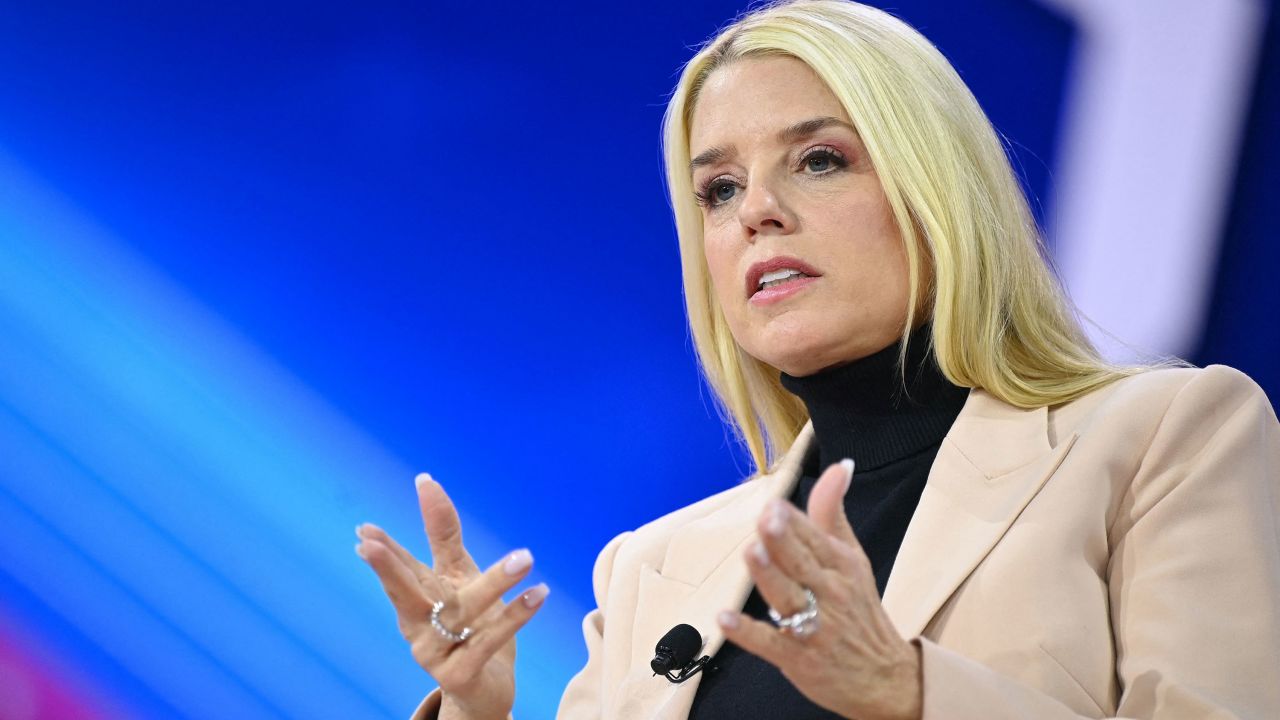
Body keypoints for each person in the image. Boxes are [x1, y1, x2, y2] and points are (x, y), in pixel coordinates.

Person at [354, 1, 1280, 717]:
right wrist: (478, 707)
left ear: (936, 191)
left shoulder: (1163, 441)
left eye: (820, 160)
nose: (756, 209)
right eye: (718, 188)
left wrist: (907, 692)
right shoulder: (652, 567)